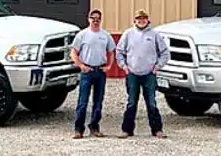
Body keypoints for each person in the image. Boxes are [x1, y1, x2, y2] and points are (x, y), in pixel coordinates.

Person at [115, 9, 169, 139]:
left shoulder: (155, 34)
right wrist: (124, 67)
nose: (141, 21)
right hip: (132, 74)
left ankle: (157, 130)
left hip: (149, 74)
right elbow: (119, 52)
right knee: (131, 102)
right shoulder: (128, 34)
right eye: (139, 19)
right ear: (134, 20)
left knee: (151, 102)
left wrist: (157, 67)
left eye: (143, 18)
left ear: (147, 20)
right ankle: (127, 130)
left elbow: (165, 53)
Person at [70, 9, 116, 139]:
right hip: (87, 72)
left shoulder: (105, 35)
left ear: (100, 20)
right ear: (88, 19)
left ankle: (94, 127)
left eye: (98, 18)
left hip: (100, 72)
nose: (95, 20)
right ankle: (78, 129)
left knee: (98, 101)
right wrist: (80, 65)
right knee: (82, 102)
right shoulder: (82, 35)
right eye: (93, 17)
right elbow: (73, 52)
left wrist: (109, 66)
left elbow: (112, 51)